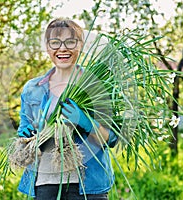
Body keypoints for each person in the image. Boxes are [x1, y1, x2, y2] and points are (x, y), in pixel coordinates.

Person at [16, 18, 118, 200]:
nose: (62, 48)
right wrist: (25, 135)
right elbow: (24, 130)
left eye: (70, 42)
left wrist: (86, 122)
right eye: (55, 42)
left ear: (80, 45)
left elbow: (110, 139)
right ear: (47, 47)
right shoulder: (32, 88)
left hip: (87, 185)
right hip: (45, 182)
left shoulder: (96, 85)